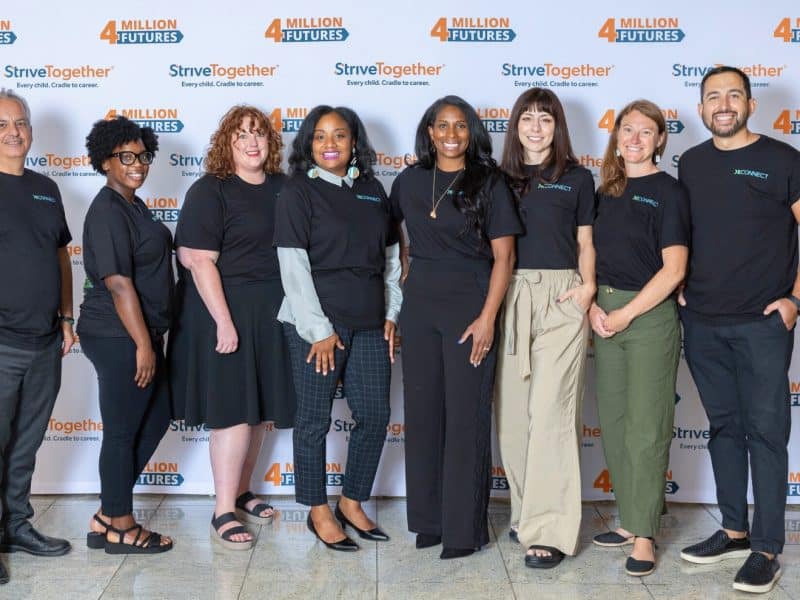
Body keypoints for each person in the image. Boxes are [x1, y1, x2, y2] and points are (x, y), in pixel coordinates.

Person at [677, 66, 799, 595]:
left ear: (750, 104)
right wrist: (681, 284)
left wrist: (795, 299)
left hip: (762, 324)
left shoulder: (783, 160)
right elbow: (688, 232)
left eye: (733, 95)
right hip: (703, 322)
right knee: (724, 428)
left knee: (766, 433)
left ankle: (767, 548)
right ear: (701, 108)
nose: (722, 105)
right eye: (713, 97)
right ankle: (733, 531)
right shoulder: (691, 163)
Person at [390, 95, 522, 559]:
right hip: (420, 308)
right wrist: (404, 274)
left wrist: (488, 318)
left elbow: (505, 257)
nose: (451, 134)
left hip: (470, 305)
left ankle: (464, 531)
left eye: (460, 126)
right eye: (442, 125)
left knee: (466, 417)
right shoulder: (409, 181)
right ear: (429, 132)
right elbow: (391, 235)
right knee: (423, 415)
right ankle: (428, 522)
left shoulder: (489, 182)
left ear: (472, 132)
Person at [274, 105, 401, 552]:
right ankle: (318, 510)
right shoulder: (297, 191)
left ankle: (351, 502)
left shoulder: (372, 190)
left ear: (354, 142)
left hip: (369, 323)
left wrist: (392, 313)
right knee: (313, 421)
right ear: (308, 143)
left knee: (375, 415)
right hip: (316, 327)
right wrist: (319, 330)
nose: (330, 144)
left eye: (340, 135)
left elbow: (391, 260)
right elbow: (293, 264)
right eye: (320, 136)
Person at [169, 105, 295, 550]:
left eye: (258, 133)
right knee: (233, 413)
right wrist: (224, 322)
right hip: (224, 311)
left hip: (272, 313)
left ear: (270, 141)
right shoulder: (210, 190)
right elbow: (198, 261)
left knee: (256, 412)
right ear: (227, 142)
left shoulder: (284, 186)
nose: (251, 141)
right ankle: (223, 509)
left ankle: (242, 491)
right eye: (241, 134)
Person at [495, 88, 595, 569]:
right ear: (515, 126)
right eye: (528, 118)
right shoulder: (497, 179)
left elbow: (586, 241)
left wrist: (588, 287)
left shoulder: (576, 177)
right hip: (510, 293)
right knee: (514, 418)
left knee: (552, 412)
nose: (536, 128)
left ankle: (551, 529)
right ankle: (524, 513)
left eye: (546, 119)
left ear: (558, 127)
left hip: (561, 296)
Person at [589, 99, 688, 577]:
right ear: (616, 137)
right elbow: (586, 254)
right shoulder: (602, 191)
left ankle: (645, 535)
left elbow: (675, 269)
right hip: (604, 315)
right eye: (627, 129)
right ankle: (630, 519)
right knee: (615, 422)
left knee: (647, 427)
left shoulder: (670, 192)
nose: (634, 139)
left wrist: (626, 313)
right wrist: (592, 305)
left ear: (660, 140)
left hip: (646, 317)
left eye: (645, 131)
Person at [79, 116, 174, 554]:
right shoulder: (107, 210)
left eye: (143, 156)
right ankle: (120, 525)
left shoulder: (134, 205)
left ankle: (107, 512)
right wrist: (142, 345)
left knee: (157, 414)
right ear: (105, 161)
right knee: (121, 431)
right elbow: (118, 284)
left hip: (140, 332)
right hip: (117, 335)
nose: (138, 164)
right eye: (126, 157)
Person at [0, 89, 74, 583]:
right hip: (1, 342)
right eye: (2, 125)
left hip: (45, 341)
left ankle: (16, 526)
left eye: (20, 122)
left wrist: (67, 317)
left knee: (25, 444)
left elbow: (61, 255)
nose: (14, 132)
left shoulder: (46, 187)